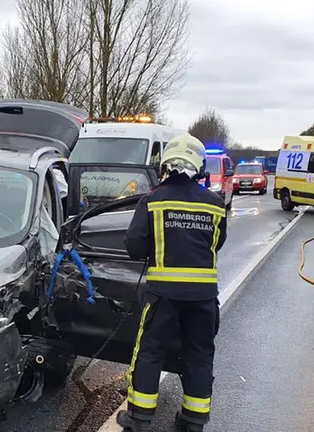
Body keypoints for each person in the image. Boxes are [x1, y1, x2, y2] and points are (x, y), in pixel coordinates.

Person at [118, 134, 227, 432]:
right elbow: (217, 245)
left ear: (165, 164)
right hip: (204, 298)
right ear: (200, 166)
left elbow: (134, 247)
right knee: (200, 354)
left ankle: (139, 419)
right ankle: (193, 421)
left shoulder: (153, 200)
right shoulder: (216, 204)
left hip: (163, 296)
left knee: (150, 352)